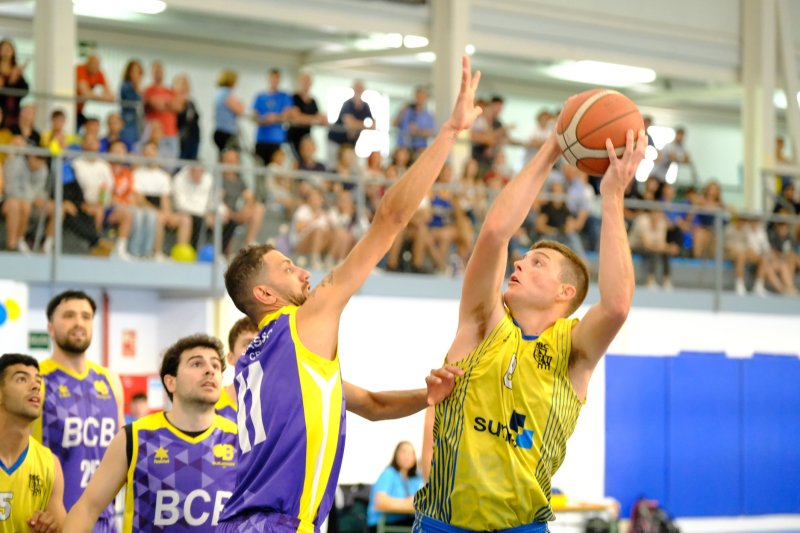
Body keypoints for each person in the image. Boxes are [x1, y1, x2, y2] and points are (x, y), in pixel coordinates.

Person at [217, 55, 482, 533]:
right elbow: (390, 220)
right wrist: (449, 133)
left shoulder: (263, 363)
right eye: (287, 267)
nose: (303, 270)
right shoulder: (300, 324)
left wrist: (429, 396)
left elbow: (373, 406)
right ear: (265, 293)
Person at [414, 126, 647, 532]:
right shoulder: (483, 322)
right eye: (523, 258)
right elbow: (494, 233)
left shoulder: (573, 350)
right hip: (444, 523)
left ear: (564, 292)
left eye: (537, 263)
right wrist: (554, 145)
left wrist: (612, 196)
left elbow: (616, 306)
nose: (519, 263)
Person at [63, 334, 238, 532]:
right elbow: (86, 509)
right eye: (197, 364)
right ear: (170, 382)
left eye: (216, 366)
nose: (210, 370)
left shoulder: (242, 441)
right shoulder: (134, 437)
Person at [32, 290, 125, 533]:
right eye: (68, 315)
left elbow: (122, 452)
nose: (78, 323)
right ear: (50, 328)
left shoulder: (110, 380)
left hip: (105, 522)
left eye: (86, 316)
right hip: (54, 522)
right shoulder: (37, 380)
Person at [0, 353, 66, 533]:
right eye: (22, 379)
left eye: (38, 380)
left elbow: (62, 528)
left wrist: (52, 527)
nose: (36, 386)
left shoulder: (50, 464)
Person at [367, 441, 424, 532]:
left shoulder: (415, 479)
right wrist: (408, 503)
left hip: (405, 521)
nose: (407, 456)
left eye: (411, 453)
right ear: (396, 455)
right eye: (403, 452)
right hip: (385, 523)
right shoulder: (389, 473)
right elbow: (380, 502)